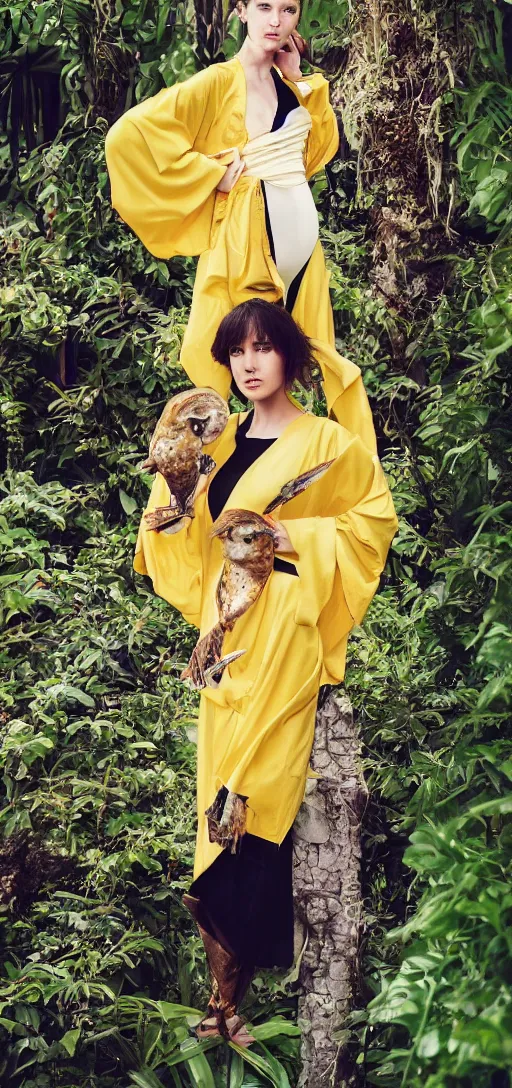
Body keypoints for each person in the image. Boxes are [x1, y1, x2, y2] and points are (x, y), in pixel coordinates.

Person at [133, 299, 398, 1045]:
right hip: (226, 639)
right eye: (237, 352)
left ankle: (236, 998)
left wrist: (296, 534)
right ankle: (221, 1002)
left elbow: (371, 521)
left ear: (289, 357)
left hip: (286, 628)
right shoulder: (211, 447)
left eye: (263, 348)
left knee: (262, 791)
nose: (249, 363)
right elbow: (175, 538)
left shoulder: (327, 442)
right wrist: (177, 498)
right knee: (217, 806)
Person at [104, 0, 375, 445]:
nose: (276, 21)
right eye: (264, 7)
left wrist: (299, 78)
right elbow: (128, 136)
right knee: (236, 366)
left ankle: (332, 472)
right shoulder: (218, 81)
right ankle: (204, 487)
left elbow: (318, 152)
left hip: (304, 254)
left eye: (288, 10)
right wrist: (211, 174)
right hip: (247, 244)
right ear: (241, 12)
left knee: (301, 364)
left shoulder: (288, 79)